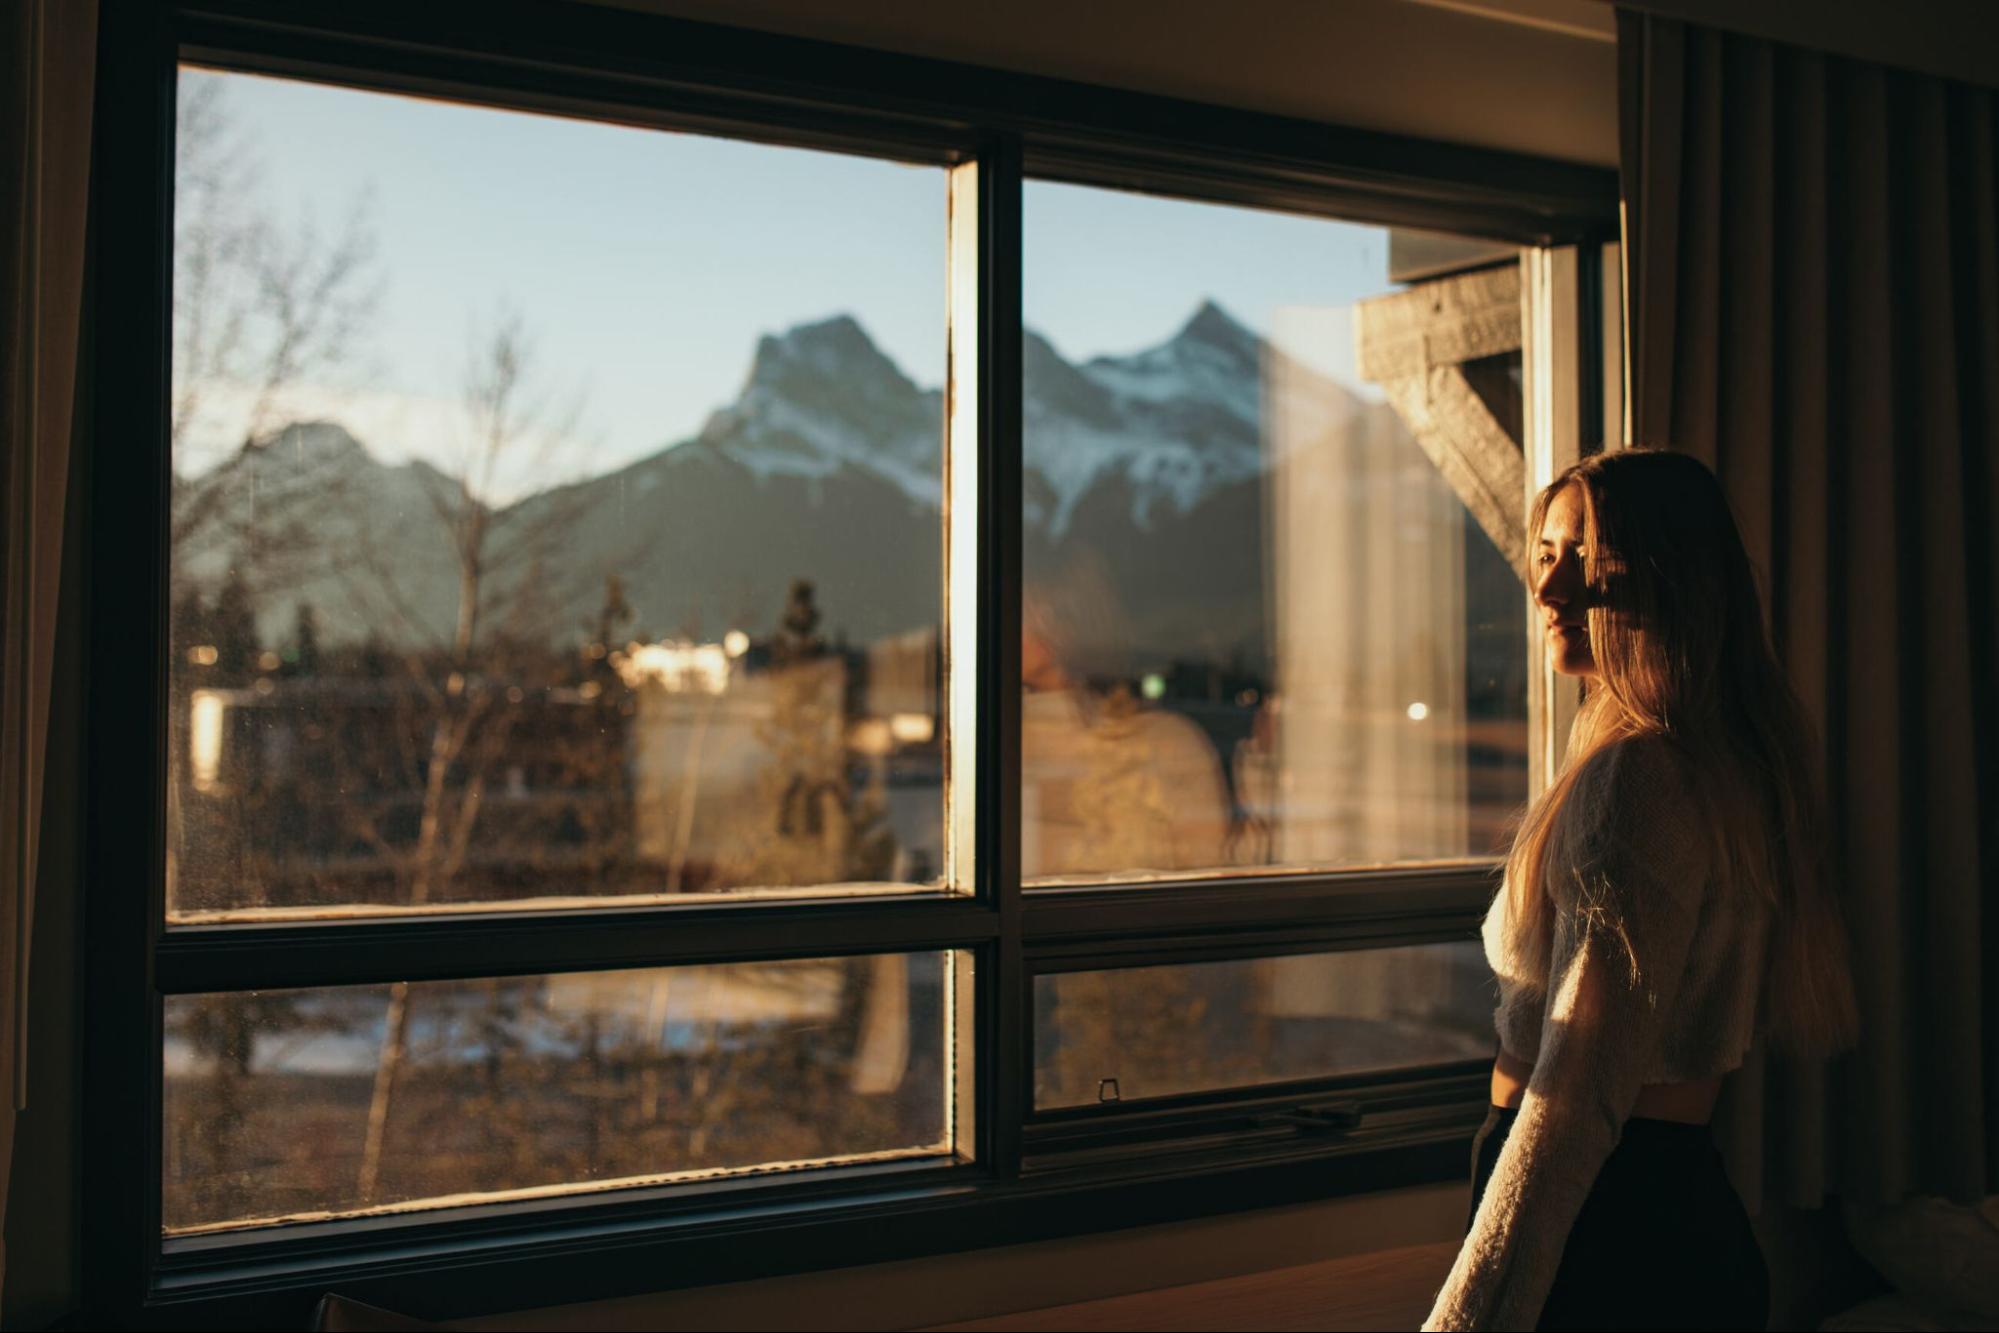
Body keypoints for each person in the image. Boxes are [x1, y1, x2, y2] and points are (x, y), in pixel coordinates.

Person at [1423, 449, 1859, 1331]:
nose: (1551, 591)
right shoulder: (1717, 762)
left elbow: (1577, 1095)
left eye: (1595, 566)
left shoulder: (1640, 779)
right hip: (1654, 1206)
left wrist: (1470, 1316)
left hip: (1602, 1225)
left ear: (1668, 582)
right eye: (1546, 553)